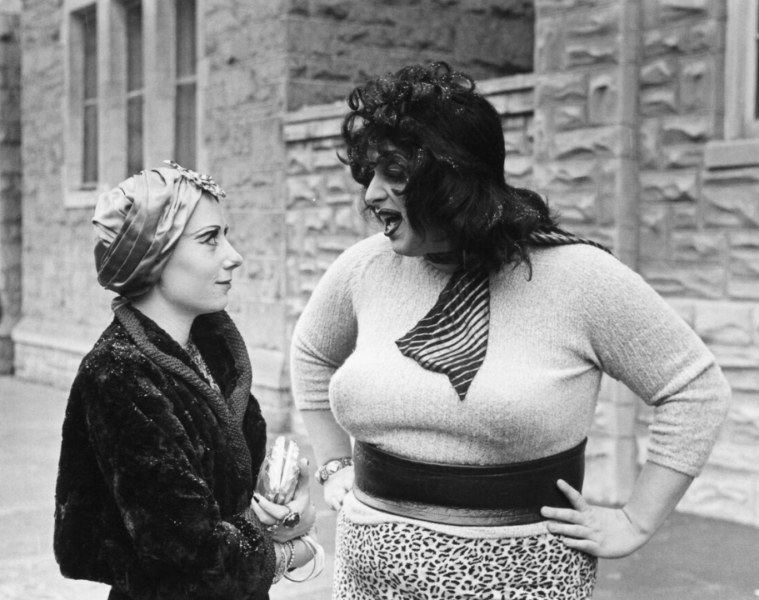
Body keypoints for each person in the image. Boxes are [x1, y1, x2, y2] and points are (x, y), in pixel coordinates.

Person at [290, 63, 731, 599]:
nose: (370, 195)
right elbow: (311, 353)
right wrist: (335, 465)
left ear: (451, 178)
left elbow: (694, 389)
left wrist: (635, 521)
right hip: (369, 579)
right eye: (369, 175)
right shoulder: (364, 268)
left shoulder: (578, 277)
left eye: (394, 172)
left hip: (524, 578)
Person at [54, 162, 318, 600]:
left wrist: (286, 509)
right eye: (210, 238)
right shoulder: (118, 373)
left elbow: (238, 500)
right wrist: (289, 553)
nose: (234, 255)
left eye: (225, 235)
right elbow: (186, 557)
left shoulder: (211, 352)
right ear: (153, 253)